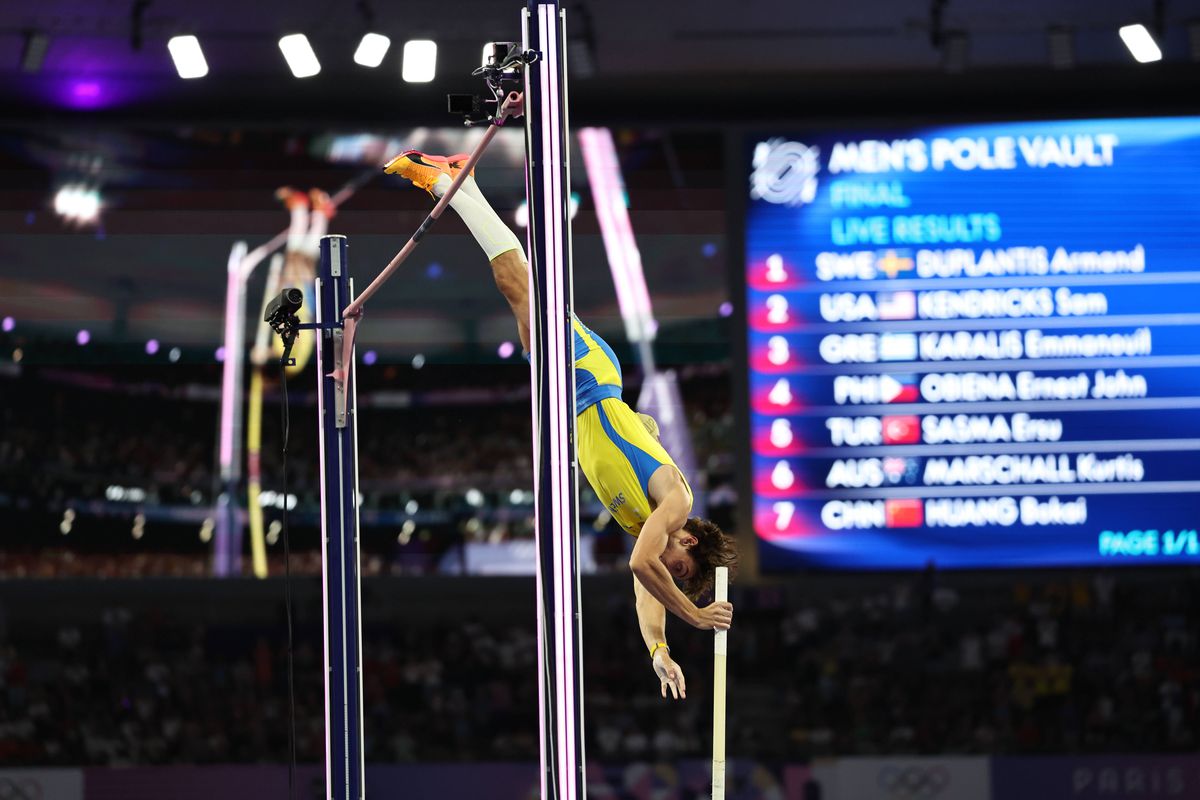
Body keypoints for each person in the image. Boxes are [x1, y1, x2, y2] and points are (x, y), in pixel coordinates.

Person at [384, 151, 737, 701]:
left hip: (568, 398)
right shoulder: (676, 508)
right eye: (683, 565)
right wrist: (693, 615)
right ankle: (447, 182)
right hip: (590, 378)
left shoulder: (649, 526)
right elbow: (645, 565)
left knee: (518, 289)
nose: (673, 569)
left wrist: (660, 651)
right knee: (516, 285)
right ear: (687, 540)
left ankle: (460, 184)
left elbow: (648, 585)